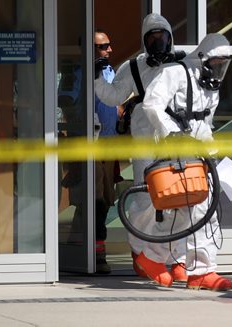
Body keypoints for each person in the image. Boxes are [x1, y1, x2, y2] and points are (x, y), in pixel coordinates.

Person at [94, 13, 188, 282]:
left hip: (176, 138)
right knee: (145, 199)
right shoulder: (133, 67)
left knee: (181, 198)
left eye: (162, 37)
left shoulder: (182, 65)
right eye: (152, 38)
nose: (158, 42)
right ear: (145, 41)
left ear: (170, 37)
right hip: (146, 140)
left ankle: (179, 259)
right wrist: (98, 75)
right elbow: (113, 96)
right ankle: (141, 254)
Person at [138, 33, 232, 291]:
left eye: (222, 65)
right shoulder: (175, 73)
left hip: (198, 153)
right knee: (195, 207)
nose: (218, 70)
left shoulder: (210, 87)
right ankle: (199, 270)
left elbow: (203, 122)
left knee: (186, 209)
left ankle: (155, 258)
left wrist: (212, 151)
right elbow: (152, 105)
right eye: (215, 64)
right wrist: (173, 134)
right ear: (203, 58)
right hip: (175, 149)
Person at [93, 29, 123, 274]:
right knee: (95, 201)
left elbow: (114, 102)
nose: (109, 50)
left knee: (106, 200)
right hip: (92, 146)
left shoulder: (109, 71)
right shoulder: (82, 73)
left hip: (110, 144)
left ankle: (97, 248)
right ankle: (94, 253)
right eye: (103, 46)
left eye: (108, 45)